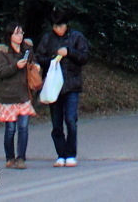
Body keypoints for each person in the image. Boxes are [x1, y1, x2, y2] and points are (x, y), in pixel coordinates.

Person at [35, 10, 90, 168]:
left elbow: (85, 57)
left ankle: (71, 154)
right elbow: (40, 57)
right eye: (55, 26)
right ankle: (61, 154)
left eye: (61, 26)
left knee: (71, 120)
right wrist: (52, 59)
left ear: (67, 25)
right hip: (53, 86)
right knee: (56, 123)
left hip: (72, 84)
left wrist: (69, 52)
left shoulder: (77, 37)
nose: (58, 29)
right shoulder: (47, 38)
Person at [0, 24, 37, 169]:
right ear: (10, 35)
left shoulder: (27, 50)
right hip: (8, 96)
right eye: (17, 33)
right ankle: (10, 157)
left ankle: (21, 158)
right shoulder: (4, 52)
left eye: (21, 33)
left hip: (24, 94)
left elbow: (34, 63)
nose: (20, 36)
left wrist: (36, 67)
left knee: (23, 127)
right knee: (10, 129)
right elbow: (2, 72)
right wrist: (16, 66)